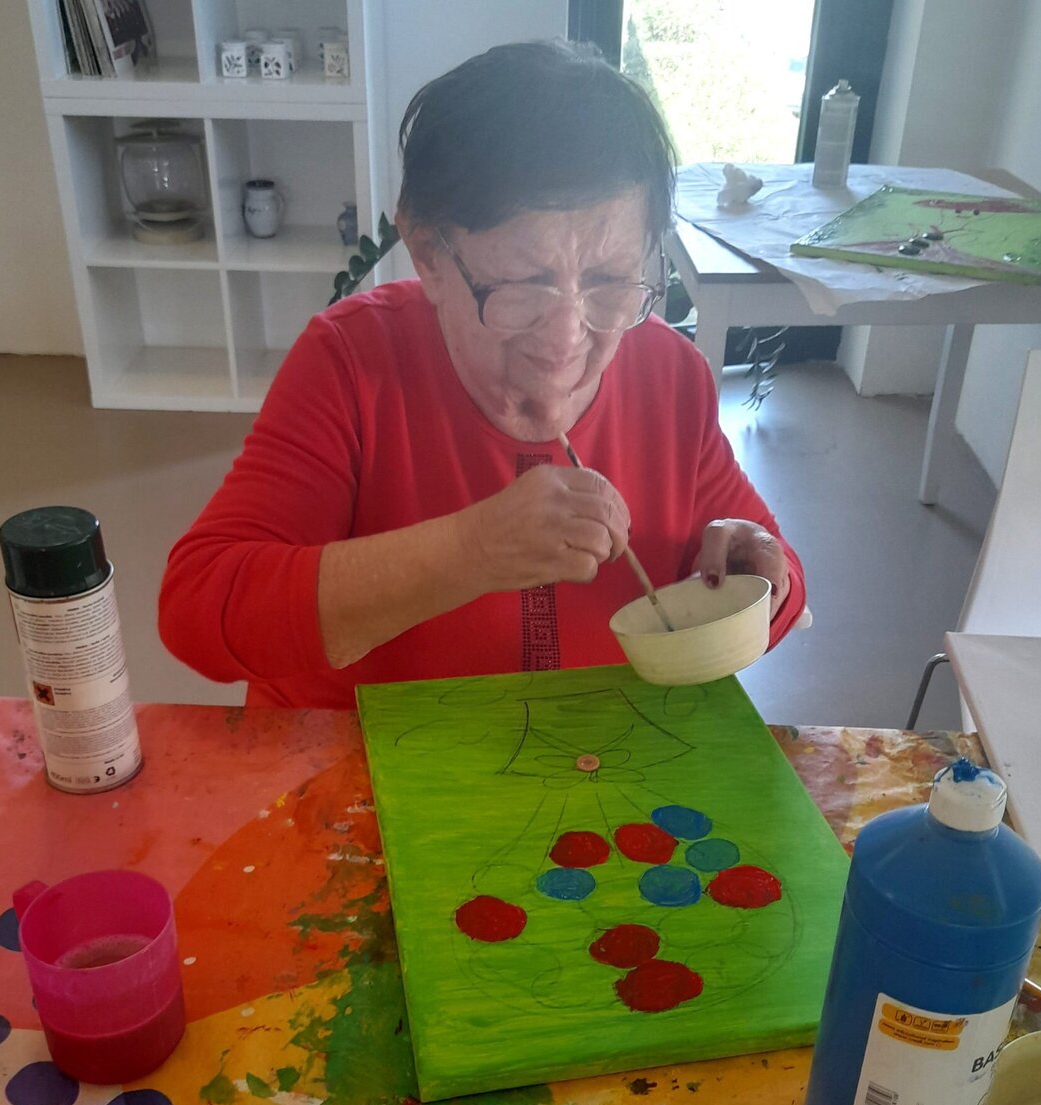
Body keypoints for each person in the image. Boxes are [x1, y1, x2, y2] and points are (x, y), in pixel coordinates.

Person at [159, 40, 805, 709]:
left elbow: (780, 578)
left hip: (594, 751)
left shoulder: (667, 375)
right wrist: (468, 551)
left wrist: (758, 579)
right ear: (429, 253)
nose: (567, 339)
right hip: (358, 759)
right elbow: (197, 613)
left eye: (611, 280)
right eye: (523, 285)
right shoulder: (353, 365)